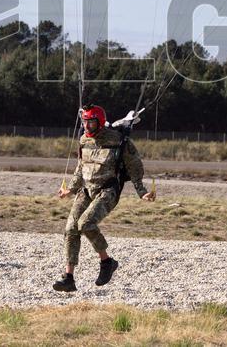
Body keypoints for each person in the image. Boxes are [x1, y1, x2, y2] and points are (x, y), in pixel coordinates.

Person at [53, 105, 155, 292]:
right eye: (84, 123)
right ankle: (68, 277)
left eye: (91, 123)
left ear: (99, 122)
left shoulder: (118, 141)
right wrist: (71, 190)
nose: (87, 127)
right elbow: (80, 168)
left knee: (86, 223)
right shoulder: (84, 140)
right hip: (86, 190)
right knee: (70, 228)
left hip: (108, 190)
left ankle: (107, 263)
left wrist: (142, 192)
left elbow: (135, 168)